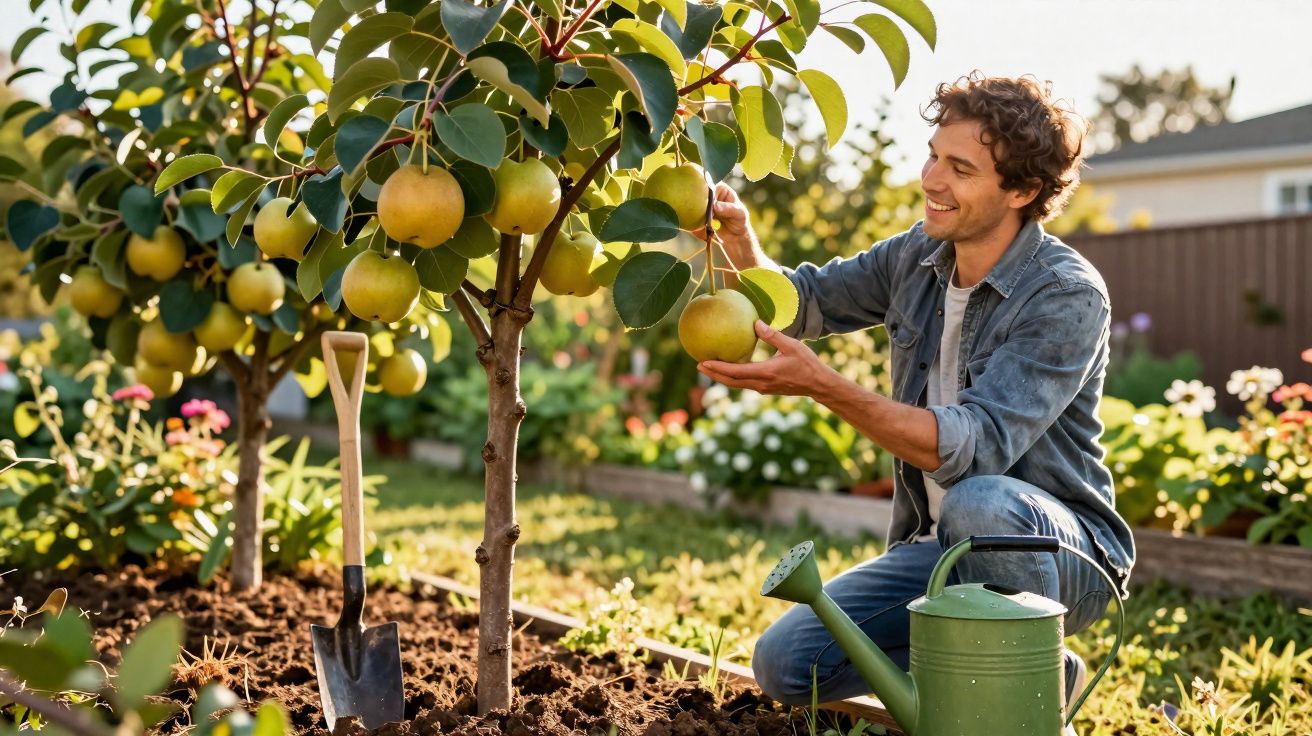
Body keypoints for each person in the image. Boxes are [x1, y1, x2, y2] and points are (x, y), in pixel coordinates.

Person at [697, 73, 1136, 708]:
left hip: (1064, 555)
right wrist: (740, 243)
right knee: (787, 666)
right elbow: (805, 303)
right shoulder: (919, 254)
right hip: (941, 547)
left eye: (960, 168)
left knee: (980, 502)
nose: (931, 180)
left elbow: (971, 448)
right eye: (933, 154)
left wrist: (826, 388)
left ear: (1023, 189)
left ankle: (1023, 679)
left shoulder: (1065, 294)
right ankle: (1033, 669)